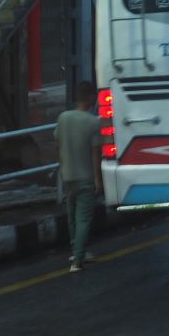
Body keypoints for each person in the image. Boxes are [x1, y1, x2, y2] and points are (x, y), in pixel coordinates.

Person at [56, 80, 103, 272]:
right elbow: (95, 154)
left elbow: (57, 144)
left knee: (72, 218)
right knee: (83, 218)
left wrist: (61, 166)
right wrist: (98, 180)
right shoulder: (93, 122)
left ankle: (77, 251)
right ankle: (77, 261)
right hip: (85, 177)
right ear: (91, 97)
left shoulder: (63, 117)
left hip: (67, 174)